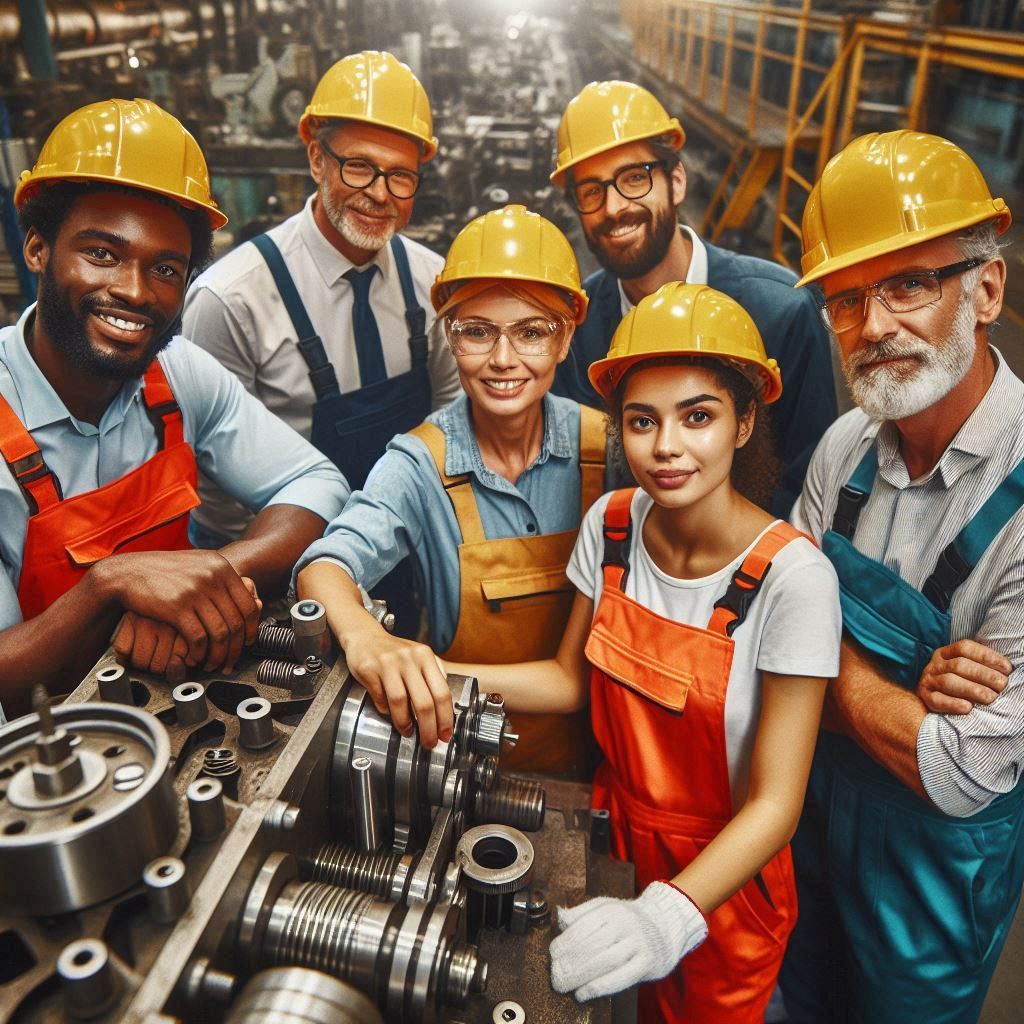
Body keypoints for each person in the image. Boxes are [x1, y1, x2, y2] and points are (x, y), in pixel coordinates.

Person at [337, 281, 843, 1020]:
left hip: (723, 882)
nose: (666, 447)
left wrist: (668, 915)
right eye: (642, 421)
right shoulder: (613, 525)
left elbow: (776, 804)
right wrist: (417, 668)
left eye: (698, 417)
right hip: (604, 838)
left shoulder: (794, 578)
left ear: (744, 422)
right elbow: (568, 680)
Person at [777, 131, 1024, 1024]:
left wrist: (817, 660)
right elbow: (760, 620)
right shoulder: (844, 448)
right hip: (809, 826)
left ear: (985, 289)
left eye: (909, 284)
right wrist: (905, 691)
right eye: (846, 299)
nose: (874, 325)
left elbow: (959, 769)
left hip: (934, 884)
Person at [0, 98, 348, 720]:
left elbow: (317, 483)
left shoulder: (177, 374)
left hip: (169, 701)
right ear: (37, 249)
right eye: (102, 254)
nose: (135, 291)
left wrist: (201, 582)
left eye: (165, 268)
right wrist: (111, 587)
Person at [295, 205, 605, 775]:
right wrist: (367, 638)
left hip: (595, 758)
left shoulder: (609, 449)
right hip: (458, 757)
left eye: (532, 332)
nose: (503, 360)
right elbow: (324, 566)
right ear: (450, 338)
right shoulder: (420, 463)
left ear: (565, 340)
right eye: (477, 332)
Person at [183, 50, 460, 636]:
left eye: (401, 176)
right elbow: (215, 489)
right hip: (280, 580)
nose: (380, 193)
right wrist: (258, 593)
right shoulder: (231, 299)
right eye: (358, 167)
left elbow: (452, 429)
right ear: (316, 158)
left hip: (406, 555)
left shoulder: (434, 284)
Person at [549, 80, 837, 515]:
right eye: (591, 191)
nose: (613, 208)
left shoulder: (779, 312)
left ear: (677, 181)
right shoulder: (578, 326)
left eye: (634, 178)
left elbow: (810, 480)